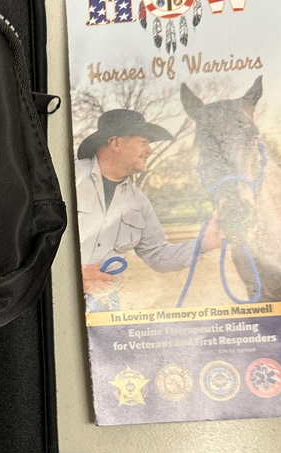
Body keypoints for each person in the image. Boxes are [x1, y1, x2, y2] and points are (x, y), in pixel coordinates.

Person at [75, 108, 222, 308]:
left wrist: (204, 243)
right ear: (115, 143)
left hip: (105, 306)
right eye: (143, 142)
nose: (150, 150)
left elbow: (157, 255)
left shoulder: (139, 203)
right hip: (53, 295)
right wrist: (72, 275)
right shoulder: (66, 178)